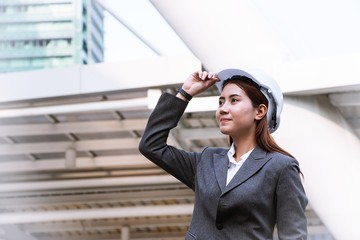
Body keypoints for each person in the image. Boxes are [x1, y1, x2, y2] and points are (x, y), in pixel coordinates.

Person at [138, 68, 308, 240]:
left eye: (234, 100)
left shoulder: (281, 167)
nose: (223, 109)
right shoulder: (206, 161)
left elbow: (293, 236)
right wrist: (185, 93)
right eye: (221, 102)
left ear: (260, 111)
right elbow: (151, 146)